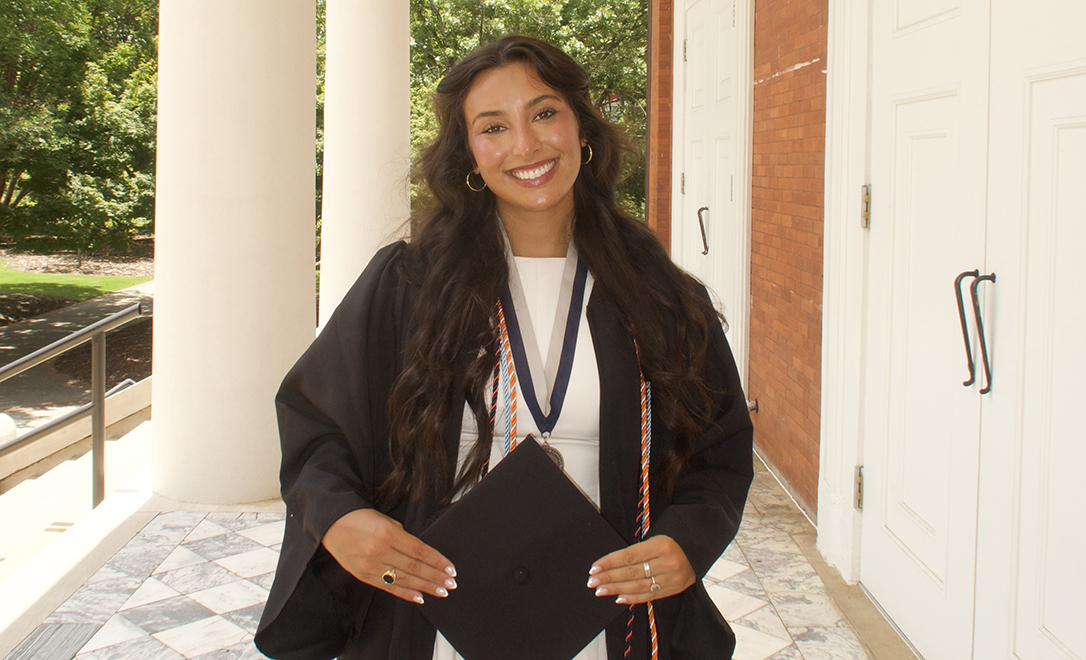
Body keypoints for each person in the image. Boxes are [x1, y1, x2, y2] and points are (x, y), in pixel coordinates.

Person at [255, 35, 754, 660]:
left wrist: (688, 540)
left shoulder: (657, 298)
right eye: (493, 127)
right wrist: (337, 519)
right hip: (437, 619)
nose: (526, 144)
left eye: (544, 113)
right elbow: (315, 422)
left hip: (610, 623)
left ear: (581, 126)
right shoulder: (409, 287)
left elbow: (720, 450)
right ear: (469, 153)